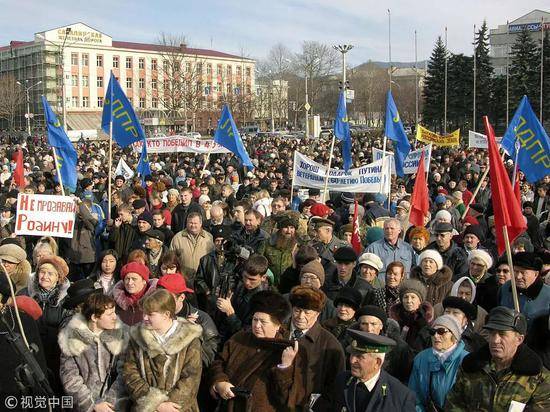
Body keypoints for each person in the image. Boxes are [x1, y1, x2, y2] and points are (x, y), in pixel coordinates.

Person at [208, 290, 307, 411]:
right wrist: (219, 382)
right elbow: (218, 363)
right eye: (255, 320)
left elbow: (289, 397)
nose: (257, 325)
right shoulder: (239, 338)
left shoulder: (287, 350)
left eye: (263, 322)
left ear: (277, 326)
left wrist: (285, 367)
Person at [445, 306, 550, 411]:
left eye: (502, 334)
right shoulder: (471, 367)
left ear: (519, 339)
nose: (495, 340)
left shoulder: (538, 378)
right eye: (492, 333)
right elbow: (454, 402)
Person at [123, 289, 203, 412]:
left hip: (178, 408)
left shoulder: (190, 339)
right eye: (144, 313)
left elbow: (191, 378)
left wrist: (171, 405)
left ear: (166, 314)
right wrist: (154, 403)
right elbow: (130, 373)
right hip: (145, 408)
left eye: (150, 314)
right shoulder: (137, 337)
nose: (144, 317)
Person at [59, 293, 128, 412]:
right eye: (109, 314)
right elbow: (70, 377)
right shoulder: (72, 339)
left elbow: (125, 372)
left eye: (114, 312)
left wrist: (110, 401)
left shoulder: (120, 337)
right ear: (94, 318)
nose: (115, 317)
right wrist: (91, 405)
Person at [287, 285, 345, 410]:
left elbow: (335, 386)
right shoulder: (278, 333)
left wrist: (318, 406)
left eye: (307, 312)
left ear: (317, 314)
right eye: (297, 310)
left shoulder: (330, 345)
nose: (301, 316)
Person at [331, 330, 416, 412]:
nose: (352, 361)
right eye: (352, 354)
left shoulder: (400, 396)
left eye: (359, 357)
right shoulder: (341, 381)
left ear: (377, 362)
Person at [157, 273, 219, 368]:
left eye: (168, 298)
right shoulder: (153, 317)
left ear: (181, 297)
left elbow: (208, 359)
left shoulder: (202, 321)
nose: (162, 302)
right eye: (159, 297)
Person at [408, 315, 468, 411]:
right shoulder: (421, 358)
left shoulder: (466, 360)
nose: (436, 336)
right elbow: (414, 397)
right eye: (432, 332)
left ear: (454, 336)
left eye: (441, 331)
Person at [498, 252, 550, 326]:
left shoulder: (547, 295)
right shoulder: (505, 288)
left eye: (523, 273)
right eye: (516, 271)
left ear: (536, 274)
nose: (518, 276)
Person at [170, 212, 215, 285]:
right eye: (190, 223)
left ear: (200, 224)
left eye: (195, 223)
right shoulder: (177, 238)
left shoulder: (208, 238)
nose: (193, 225)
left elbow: (213, 259)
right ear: (186, 223)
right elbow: (171, 259)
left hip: (203, 281)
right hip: (183, 280)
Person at [389, 279, 433, 353]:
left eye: (413, 297)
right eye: (406, 297)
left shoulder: (426, 321)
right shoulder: (394, 320)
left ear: (420, 301)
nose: (409, 301)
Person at [112, 262, 158, 326]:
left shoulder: (157, 300)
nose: (130, 283)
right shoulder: (115, 300)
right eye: (127, 279)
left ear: (144, 281)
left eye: (134, 279)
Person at [263, 215, 299, 286]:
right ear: (280, 229)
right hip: (270, 285)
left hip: (290, 286)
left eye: (292, 228)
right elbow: (259, 262)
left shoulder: (298, 246)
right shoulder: (267, 244)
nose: (289, 231)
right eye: (286, 227)